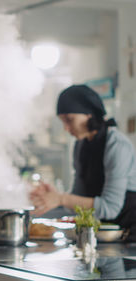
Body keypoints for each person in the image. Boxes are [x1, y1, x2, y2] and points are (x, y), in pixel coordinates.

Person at [30, 84, 136, 241]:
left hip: (128, 235)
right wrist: (54, 197)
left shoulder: (117, 146)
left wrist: (61, 198)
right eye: (62, 121)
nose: (66, 128)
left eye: (69, 120)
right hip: (99, 235)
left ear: (89, 114)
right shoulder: (81, 145)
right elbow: (78, 201)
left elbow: (110, 208)